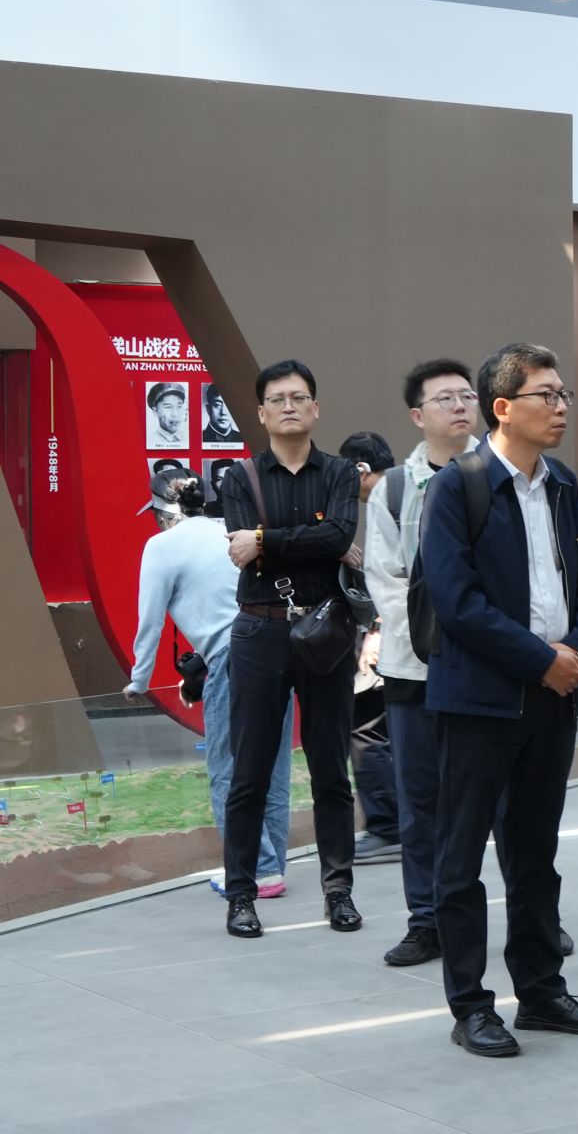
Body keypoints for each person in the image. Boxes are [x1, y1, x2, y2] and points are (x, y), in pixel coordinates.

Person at [423, 342, 578, 1057]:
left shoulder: (561, 483)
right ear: (503, 408)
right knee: (461, 857)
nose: (561, 408)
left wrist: (575, 655)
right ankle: (471, 1006)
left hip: (553, 697)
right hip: (480, 700)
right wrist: (542, 661)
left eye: (565, 395)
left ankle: (540, 992)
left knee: (535, 853)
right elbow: (457, 602)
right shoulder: (458, 485)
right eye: (547, 395)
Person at [214, 360, 362, 939]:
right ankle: (241, 896)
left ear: (316, 408)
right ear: (261, 413)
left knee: (331, 770)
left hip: (326, 631)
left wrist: (265, 540)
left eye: (299, 397)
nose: (289, 407)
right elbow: (241, 549)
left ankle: (339, 892)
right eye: (277, 399)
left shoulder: (340, 472)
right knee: (249, 772)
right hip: (260, 632)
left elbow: (339, 535)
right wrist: (312, 544)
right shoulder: (239, 477)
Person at [360, 359, 481, 967]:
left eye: (467, 395)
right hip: (415, 669)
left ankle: (533, 915)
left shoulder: (501, 475)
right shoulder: (393, 490)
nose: (459, 406)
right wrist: (443, 637)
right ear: (417, 415)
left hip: (491, 668)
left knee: (506, 805)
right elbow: (385, 581)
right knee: (421, 804)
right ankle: (427, 920)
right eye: (444, 398)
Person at [125, 468, 293, 900]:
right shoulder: (231, 532)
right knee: (272, 768)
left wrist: (139, 680)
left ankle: (256, 870)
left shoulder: (162, 546)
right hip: (277, 651)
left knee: (228, 771)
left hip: (232, 661)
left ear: (164, 511)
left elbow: (150, 622)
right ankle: (272, 868)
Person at [337, 431, 401, 864]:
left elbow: (393, 574)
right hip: (408, 637)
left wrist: (377, 631)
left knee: (366, 726)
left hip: (392, 635)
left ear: (360, 469)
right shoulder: (405, 492)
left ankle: (387, 825)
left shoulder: (386, 503)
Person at [147, 381, 189, 448]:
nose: (175, 414)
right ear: (155, 411)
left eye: (179, 406)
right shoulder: (150, 441)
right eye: (168, 407)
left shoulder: (188, 437)